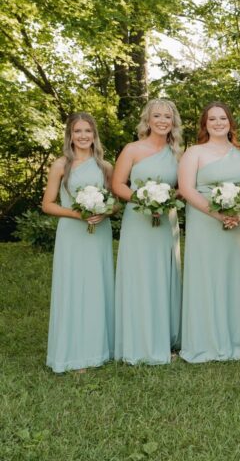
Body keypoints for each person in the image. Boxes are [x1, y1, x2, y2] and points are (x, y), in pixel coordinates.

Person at [178, 102, 240, 363]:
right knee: (206, 276)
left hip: (238, 223)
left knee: (234, 275)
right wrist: (218, 214)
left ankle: (237, 338)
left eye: (222, 118)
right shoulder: (194, 152)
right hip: (205, 221)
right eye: (212, 119)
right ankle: (205, 340)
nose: (218, 123)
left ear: (230, 122)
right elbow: (186, 189)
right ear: (205, 124)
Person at [41, 112, 115, 373]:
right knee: (73, 287)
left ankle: (100, 349)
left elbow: (115, 202)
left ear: (94, 135)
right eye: (78, 131)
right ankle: (72, 353)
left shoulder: (105, 167)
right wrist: (77, 214)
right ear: (70, 136)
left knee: (97, 286)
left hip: (99, 233)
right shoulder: (61, 165)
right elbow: (47, 204)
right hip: (72, 233)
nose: (83, 136)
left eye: (88, 131)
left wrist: (104, 211)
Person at [112, 99, 183, 365]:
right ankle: (137, 341)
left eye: (167, 116)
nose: (162, 121)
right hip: (138, 220)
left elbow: (183, 187)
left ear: (173, 122)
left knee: (163, 274)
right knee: (139, 274)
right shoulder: (132, 149)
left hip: (166, 221)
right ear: (148, 120)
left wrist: (166, 199)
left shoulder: (178, 153)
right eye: (157, 116)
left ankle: (163, 339)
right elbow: (118, 184)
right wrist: (144, 200)